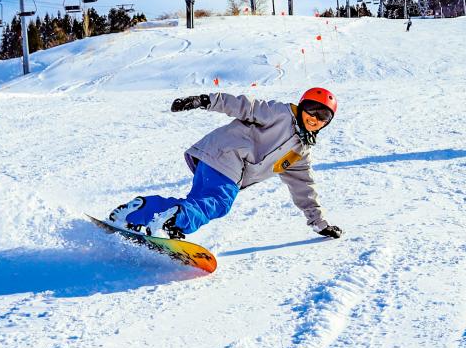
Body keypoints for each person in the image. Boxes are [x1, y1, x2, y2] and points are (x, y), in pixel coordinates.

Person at [109, 87, 343, 240]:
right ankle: (172, 221)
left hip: (217, 160)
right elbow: (244, 106)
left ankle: (137, 212)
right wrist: (204, 100)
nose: (315, 118)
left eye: (324, 116)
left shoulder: (300, 154)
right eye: (312, 109)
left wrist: (319, 223)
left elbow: (304, 189)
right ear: (302, 106)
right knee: (219, 202)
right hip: (227, 153)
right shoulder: (281, 114)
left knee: (200, 203)